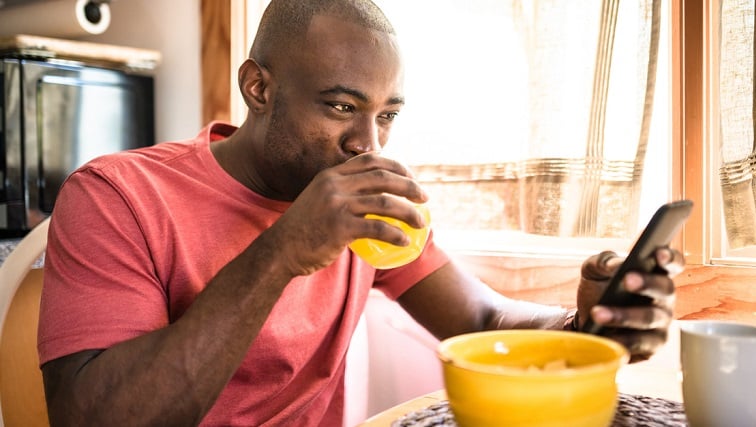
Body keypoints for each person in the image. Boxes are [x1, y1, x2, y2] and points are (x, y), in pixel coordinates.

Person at [36, 0, 681, 425]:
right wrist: (283, 251)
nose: (368, 143)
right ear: (258, 87)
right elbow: (91, 418)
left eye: (387, 115)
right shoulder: (116, 196)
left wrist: (587, 327)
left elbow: (483, 319)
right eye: (342, 107)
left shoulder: (362, 203)